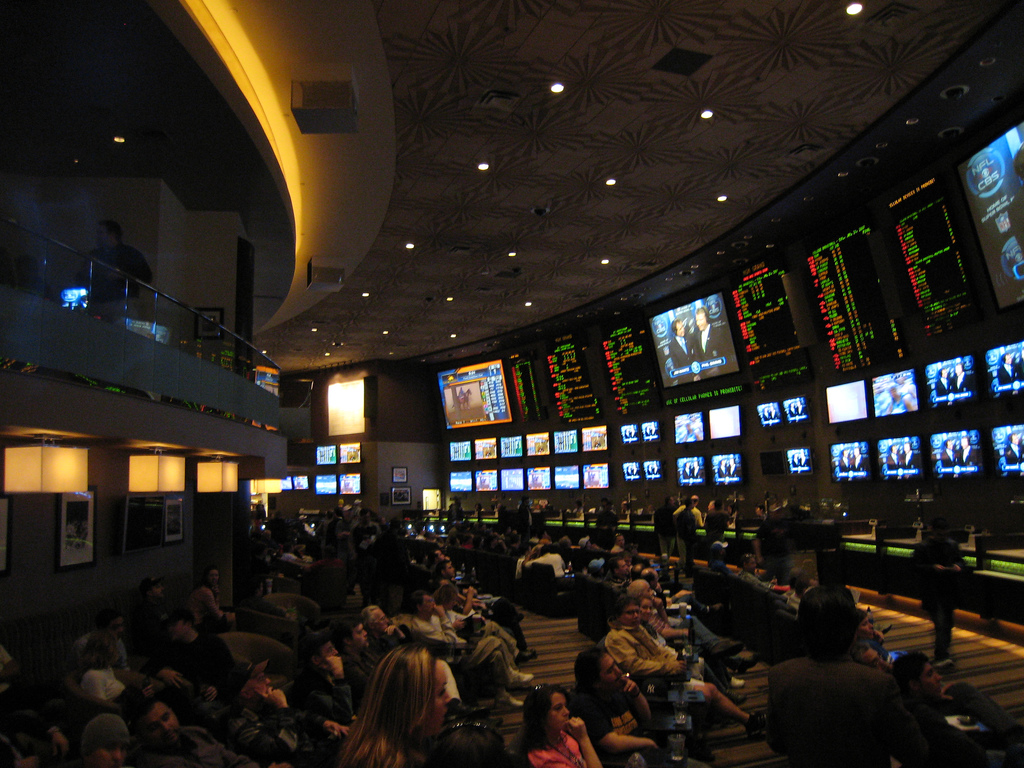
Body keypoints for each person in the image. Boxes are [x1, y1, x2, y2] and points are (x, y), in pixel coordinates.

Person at [766, 584, 928, 768]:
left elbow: (776, 742)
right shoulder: (877, 684)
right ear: (852, 631)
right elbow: (915, 751)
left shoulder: (780, 675)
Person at [892, 652, 1024, 768]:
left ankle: (1014, 736)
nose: (939, 677)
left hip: (963, 748)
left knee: (959, 690)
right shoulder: (922, 714)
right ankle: (1015, 738)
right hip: (975, 758)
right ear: (914, 685)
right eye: (930, 674)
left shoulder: (903, 702)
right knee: (1018, 753)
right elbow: (971, 753)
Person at [336, 645, 450, 768]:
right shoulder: (391, 763)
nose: (448, 698)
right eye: (441, 692)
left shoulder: (417, 741)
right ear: (413, 705)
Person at [225, 660, 345, 768]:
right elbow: (286, 746)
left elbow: (300, 715)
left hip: (312, 755)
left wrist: (325, 723)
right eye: (260, 679)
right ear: (246, 694)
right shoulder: (240, 725)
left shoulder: (264, 705)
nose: (268, 681)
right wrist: (282, 707)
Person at [132, 699, 278, 768]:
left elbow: (235, 761)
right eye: (154, 727)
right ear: (141, 738)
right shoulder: (156, 763)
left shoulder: (195, 733)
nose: (166, 728)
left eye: (166, 718)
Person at [569, 648, 655, 757]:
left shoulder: (617, 690)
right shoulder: (583, 704)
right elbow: (612, 744)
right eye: (610, 671)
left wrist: (636, 693)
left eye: (615, 665)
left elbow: (646, 717)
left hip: (639, 755)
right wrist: (648, 742)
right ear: (596, 683)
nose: (619, 672)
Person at [914, 517, 964, 667]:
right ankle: (942, 654)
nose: (943, 538)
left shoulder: (952, 545)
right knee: (940, 623)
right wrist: (932, 568)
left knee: (948, 624)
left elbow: (961, 561)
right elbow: (915, 567)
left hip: (949, 590)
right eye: (940, 534)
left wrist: (957, 566)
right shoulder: (923, 547)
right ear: (932, 531)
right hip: (933, 591)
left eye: (945, 535)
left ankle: (943, 652)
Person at [517, 685, 602, 768]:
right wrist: (584, 739)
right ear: (541, 716)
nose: (567, 712)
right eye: (558, 708)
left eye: (565, 706)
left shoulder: (561, 735)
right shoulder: (544, 759)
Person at [287, 630, 354, 726]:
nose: (336, 652)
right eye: (330, 650)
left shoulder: (327, 673)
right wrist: (340, 678)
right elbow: (344, 716)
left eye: (333, 647)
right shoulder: (310, 686)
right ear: (316, 660)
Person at [84, 220, 153, 304]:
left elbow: (146, 276)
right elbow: (80, 278)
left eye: (101, 233)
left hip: (122, 302)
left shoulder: (130, 253)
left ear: (112, 234)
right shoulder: (94, 254)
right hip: (97, 302)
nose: (97, 236)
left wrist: (121, 276)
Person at [753, 501, 792, 586]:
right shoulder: (766, 524)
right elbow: (757, 540)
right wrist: (759, 556)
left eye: (780, 511)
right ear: (772, 513)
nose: (779, 513)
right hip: (771, 557)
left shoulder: (784, 523)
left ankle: (783, 595)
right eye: (776, 512)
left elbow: (789, 538)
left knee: (786, 579)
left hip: (784, 555)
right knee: (768, 577)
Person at [186, 566, 234, 634]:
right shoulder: (206, 591)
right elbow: (217, 616)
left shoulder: (202, 588)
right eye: (211, 575)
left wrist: (216, 595)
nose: (214, 578)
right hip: (198, 623)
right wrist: (224, 614)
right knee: (234, 617)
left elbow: (215, 611)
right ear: (206, 577)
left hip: (200, 620)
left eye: (216, 575)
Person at [133, 577, 170, 657]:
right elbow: (154, 636)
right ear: (149, 592)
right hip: (153, 650)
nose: (162, 588)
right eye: (157, 587)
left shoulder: (159, 605)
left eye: (161, 586)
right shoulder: (144, 611)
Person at [653, 495, 677, 563]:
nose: (674, 502)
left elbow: (656, 521)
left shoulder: (659, 510)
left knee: (663, 549)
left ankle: (664, 562)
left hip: (661, 533)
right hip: (671, 533)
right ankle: (666, 562)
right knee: (670, 549)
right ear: (669, 501)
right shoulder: (674, 510)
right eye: (672, 500)